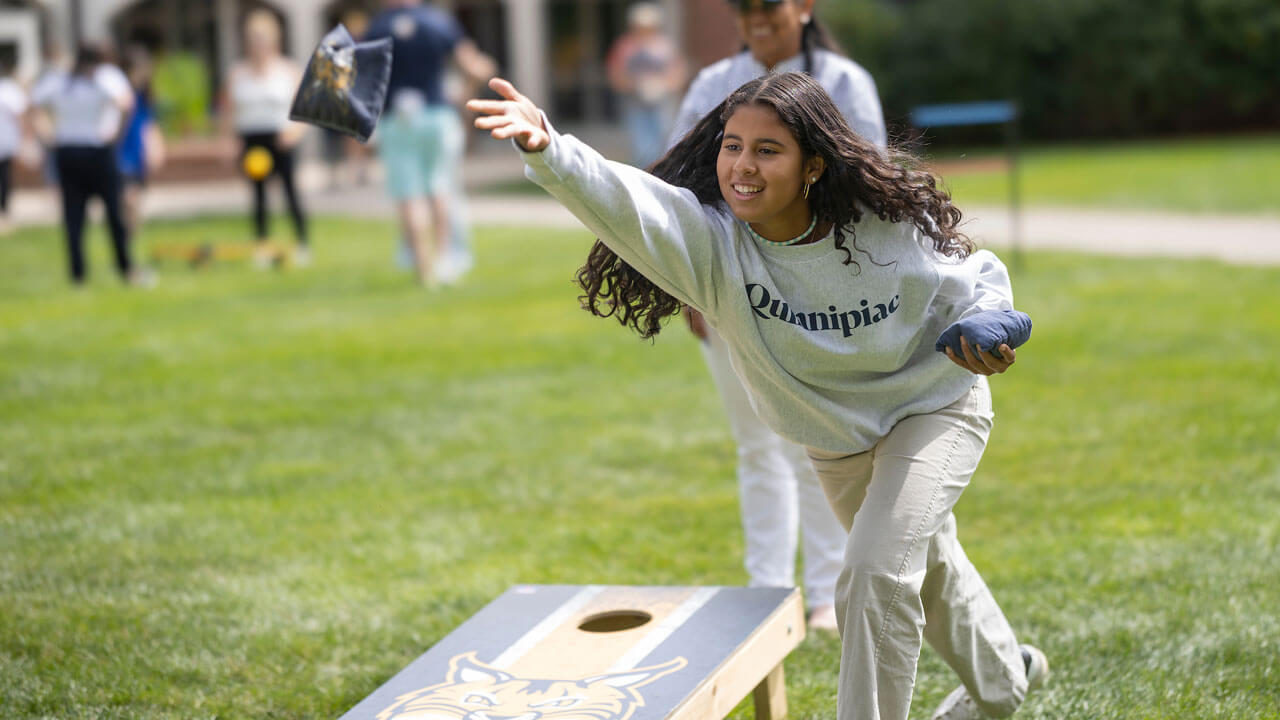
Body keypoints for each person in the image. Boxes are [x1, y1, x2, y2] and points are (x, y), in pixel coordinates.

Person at [468, 72, 1047, 720]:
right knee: (927, 566)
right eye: (732, 145)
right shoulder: (715, 248)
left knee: (875, 573)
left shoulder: (876, 229)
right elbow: (632, 203)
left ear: (813, 166)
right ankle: (1005, 677)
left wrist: (993, 323)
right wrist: (549, 147)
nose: (742, 166)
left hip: (932, 407)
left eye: (767, 151)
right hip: (837, 441)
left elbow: (976, 281)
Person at [665, 0, 887, 633]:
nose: (757, 16)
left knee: (818, 446)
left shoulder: (844, 82)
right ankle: (766, 593)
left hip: (818, 294)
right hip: (729, 286)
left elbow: (871, 184)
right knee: (755, 446)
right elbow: (683, 190)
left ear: (804, 7)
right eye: (745, 6)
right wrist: (691, 286)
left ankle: (825, 595)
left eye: (770, 4)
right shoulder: (713, 84)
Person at [364, 0, 495, 287]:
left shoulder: (378, 27)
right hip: (436, 115)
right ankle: (446, 262)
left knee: (409, 196)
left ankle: (424, 272)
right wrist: (466, 97)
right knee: (439, 189)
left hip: (397, 118)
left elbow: (364, 80)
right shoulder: (438, 21)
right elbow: (474, 67)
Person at [29, 43, 152, 287]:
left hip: (72, 151)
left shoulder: (62, 80)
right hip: (94, 150)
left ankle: (83, 275)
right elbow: (127, 104)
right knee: (104, 214)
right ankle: (117, 269)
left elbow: (33, 107)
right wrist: (116, 134)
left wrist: (47, 137)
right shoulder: (102, 78)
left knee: (80, 216)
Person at [220, 9, 310, 267]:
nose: (258, 45)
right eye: (253, 39)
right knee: (258, 196)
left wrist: (294, 133)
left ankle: (302, 242)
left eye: (262, 38)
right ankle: (262, 246)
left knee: (291, 192)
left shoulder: (288, 70)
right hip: (252, 138)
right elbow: (228, 112)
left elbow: (303, 111)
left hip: (281, 137)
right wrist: (228, 142)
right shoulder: (237, 73)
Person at [604, 2, 685, 168]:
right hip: (635, 105)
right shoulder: (625, 46)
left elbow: (677, 72)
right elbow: (615, 74)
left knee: (664, 143)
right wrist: (638, 85)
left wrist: (661, 86)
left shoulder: (664, 45)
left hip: (661, 104)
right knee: (641, 147)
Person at [117, 45, 165, 239]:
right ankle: (124, 239)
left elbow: (149, 124)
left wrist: (156, 146)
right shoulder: (120, 94)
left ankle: (129, 240)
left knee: (135, 201)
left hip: (137, 154)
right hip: (121, 153)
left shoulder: (145, 95)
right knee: (128, 198)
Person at [0, 63, 27, 235]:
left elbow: (20, 115)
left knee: (5, 177)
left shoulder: (9, 89)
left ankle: (4, 211)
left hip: (6, 140)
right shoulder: (10, 90)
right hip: (7, 139)